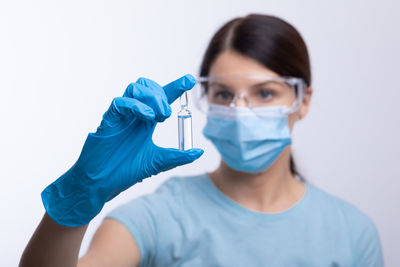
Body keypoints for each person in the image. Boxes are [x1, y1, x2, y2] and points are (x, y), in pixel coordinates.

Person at [19, 14, 384, 267]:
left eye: (266, 94)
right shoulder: (157, 218)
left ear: (302, 101)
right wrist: (78, 198)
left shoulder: (351, 232)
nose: (241, 111)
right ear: (205, 101)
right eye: (224, 94)